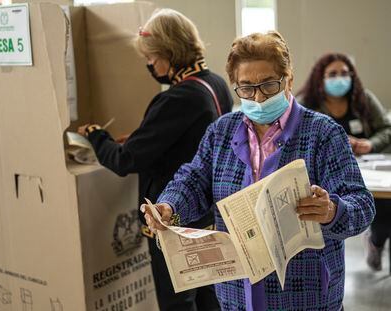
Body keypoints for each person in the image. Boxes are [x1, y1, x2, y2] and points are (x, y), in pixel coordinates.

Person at [141, 32, 375, 310]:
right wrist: (169, 205)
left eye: (268, 85)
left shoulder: (322, 133)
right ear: (235, 86)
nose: (259, 96)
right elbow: (192, 180)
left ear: (288, 79)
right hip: (238, 293)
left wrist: (332, 210)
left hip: (305, 294)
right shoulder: (222, 131)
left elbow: (362, 205)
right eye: (247, 87)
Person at [78, 8, 233, 311]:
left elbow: (125, 161)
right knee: (208, 296)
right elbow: (185, 140)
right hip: (207, 214)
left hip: (172, 217)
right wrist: (141, 137)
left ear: (168, 52)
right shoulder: (215, 84)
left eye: (151, 57)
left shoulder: (177, 98)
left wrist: (98, 136)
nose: (149, 64)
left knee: (177, 301)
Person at [297, 52, 391, 271]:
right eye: (332, 74)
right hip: (325, 174)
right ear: (320, 78)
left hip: (367, 168)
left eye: (344, 73)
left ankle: (376, 242)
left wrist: (370, 143)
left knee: (384, 209)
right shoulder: (307, 105)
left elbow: (387, 129)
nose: (339, 78)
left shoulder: (364, 100)